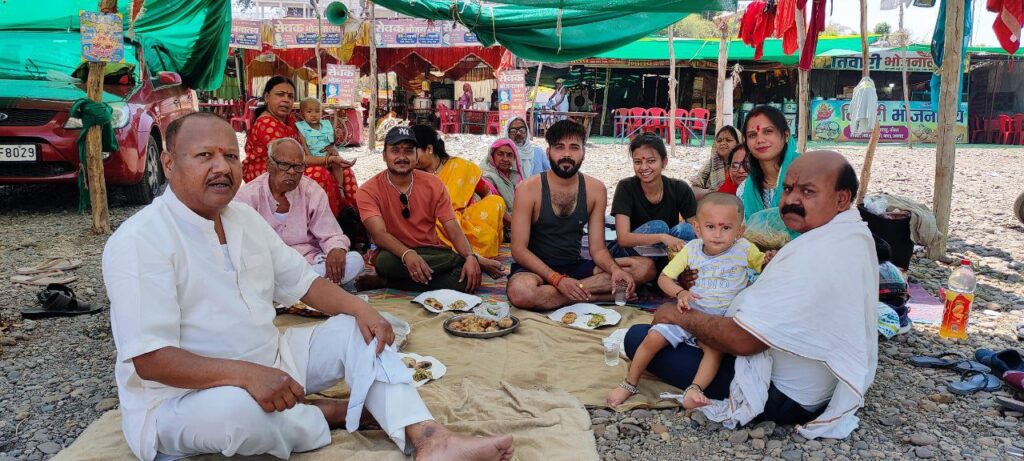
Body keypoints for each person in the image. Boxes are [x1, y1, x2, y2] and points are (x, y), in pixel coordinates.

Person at [102, 113, 514, 461]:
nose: (222, 167)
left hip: (271, 358)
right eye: (205, 156)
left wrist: (363, 312)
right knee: (238, 415)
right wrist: (246, 376)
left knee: (365, 330)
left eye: (230, 156)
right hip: (183, 398)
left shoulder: (241, 219)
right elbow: (151, 360)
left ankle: (427, 438)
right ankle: (331, 412)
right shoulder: (140, 240)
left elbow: (306, 284)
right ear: (170, 163)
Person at [626, 150, 878, 438]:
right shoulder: (851, 234)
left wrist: (676, 315)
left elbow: (744, 341)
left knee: (636, 337)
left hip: (783, 394)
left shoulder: (816, 253)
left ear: (841, 198)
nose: (792, 200)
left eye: (807, 192)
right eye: (788, 189)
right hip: (815, 379)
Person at [607, 193, 767, 409]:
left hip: (720, 321)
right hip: (688, 311)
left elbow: (764, 269)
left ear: (740, 230)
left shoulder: (745, 249)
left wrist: (769, 260)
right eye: (710, 227)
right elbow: (664, 278)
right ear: (697, 228)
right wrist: (680, 293)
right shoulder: (691, 250)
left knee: (714, 352)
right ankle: (630, 383)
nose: (718, 234)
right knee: (653, 337)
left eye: (726, 228)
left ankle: (695, 389)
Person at [506, 120, 656, 310]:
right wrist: (556, 279)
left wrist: (614, 271)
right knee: (521, 292)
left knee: (645, 268)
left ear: (583, 153)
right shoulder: (528, 189)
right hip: (536, 270)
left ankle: (567, 294)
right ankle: (595, 297)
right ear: (548, 152)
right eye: (559, 147)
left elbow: (598, 249)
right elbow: (518, 250)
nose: (567, 154)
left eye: (574, 148)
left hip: (575, 267)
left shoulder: (596, 189)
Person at [355, 126, 483, 293]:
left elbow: (452, 227)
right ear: (384, 155)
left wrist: (469, 256)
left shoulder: (434, 184)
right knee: (384, 262)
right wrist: (407, 254)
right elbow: (379, 235)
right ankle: (454, 262)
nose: (402, 157)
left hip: (431, 253)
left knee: (467, 281)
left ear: (416, 155)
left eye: (408, 151)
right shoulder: (368, 191)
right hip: (395, 254)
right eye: (395, 151)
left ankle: (389, 282)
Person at [236, 137, 365, 285]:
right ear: (269, 165)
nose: (292, 172)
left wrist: (337, 249)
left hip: (308, 262)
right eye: (284, 165)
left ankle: (296, 287)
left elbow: (331, 234)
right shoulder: (247, 196)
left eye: (298, 166)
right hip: (268, 266)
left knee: (355, 261)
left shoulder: (311, 191)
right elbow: (240, 247)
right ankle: (309, 287)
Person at [243, 76, 358, 216]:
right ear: (267, 97)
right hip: (270, 171)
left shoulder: (290, 119)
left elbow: (308, 141)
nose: (286, 99)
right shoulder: (266, 123)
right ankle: (326, 222)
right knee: (319, 174)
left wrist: (330, 148)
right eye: (280, 95)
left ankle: (353, 217)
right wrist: (328, 160)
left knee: (345, 172)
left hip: (295, 165)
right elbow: (289, 159)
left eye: (290, 96)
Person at [411, 125, 506, 273]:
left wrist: (478, 214)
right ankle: (474, 258)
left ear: (429, 149)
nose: (407, 157)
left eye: (412, 151)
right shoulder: (411, 173)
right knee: (440, 221)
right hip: (436, 226)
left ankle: (473, 253)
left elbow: (486, 193)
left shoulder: (461, 166)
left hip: (464, 222)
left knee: (496, 202)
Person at [609, 134, 697, 260]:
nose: (644, 167)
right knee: (659, 226)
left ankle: (675, 268)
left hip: (663, 252)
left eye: (651, 161)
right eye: (638, 162)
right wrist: (662, 237)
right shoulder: (626, 187)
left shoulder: (679, 188)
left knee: (686, 229)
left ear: (664, 162)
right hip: (630, 253)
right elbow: (623, 239)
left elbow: (697, 229)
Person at [738, 105, 799, 219]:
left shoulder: (807, 174)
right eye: (752, 135)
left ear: (786, 135)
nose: (760, 140)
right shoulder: (744, 190)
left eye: (768, 131)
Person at [295, 97, 354, 194]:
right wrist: (311, 160)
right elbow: (305, 148)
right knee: (323, 172)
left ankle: (340, 189)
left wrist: (336, 136)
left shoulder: (326, 125)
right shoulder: (302, 128)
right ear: (302, 114)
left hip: (330, 157)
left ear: (322, 113)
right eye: (309, 112)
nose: (314, 115)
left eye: (317, 111)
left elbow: (331, 143)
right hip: (315, 160)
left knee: (338, 164)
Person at [479, 138, 522, 230]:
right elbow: (495, 207)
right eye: (500, 154)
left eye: (509, 155)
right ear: (492, 155)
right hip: (495, 227)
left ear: (514, 158)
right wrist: (519, 227)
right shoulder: (486, 177)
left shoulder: (516, 177)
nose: (505, 159)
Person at [690, 126, 740, 199]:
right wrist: (712, 192)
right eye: (719, 140)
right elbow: (693, 190)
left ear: (739, 143)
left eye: (728, 140)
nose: (722, 143)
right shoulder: (711, 163)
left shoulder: (745, 166)